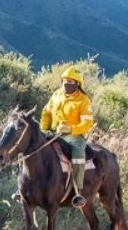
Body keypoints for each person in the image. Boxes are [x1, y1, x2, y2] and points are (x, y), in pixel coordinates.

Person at [39, 66, 95, 208]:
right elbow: (46, 112)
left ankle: (77, 191)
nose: (66, 83)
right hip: (54, 133)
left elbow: (87, 123)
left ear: (77, 84)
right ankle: (25, 188)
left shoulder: (84, 100)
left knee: (77, 155)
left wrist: (70, 129)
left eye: (70, 81)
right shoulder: (56, 95)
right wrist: (43, 129)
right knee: (34, 148)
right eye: (64, 80)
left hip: (74, 137)